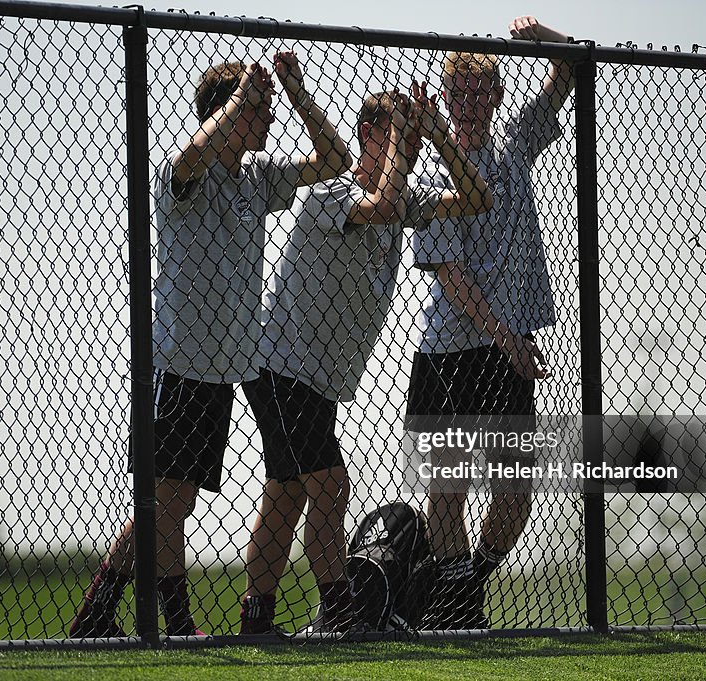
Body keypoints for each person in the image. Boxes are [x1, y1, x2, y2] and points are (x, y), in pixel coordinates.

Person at [69, 51, 352, 638]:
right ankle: (170, 622)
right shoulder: (185, 176)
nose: (268, 119)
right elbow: (193, 154)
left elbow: (335, 160)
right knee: (165, 502)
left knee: (169, 502)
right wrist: (238, 100)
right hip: (179, 364)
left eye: (269, 110)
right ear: (225, 111)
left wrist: (295, 92)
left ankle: (100, 610)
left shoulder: (256, 179)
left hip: (221, 369)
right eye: (260, 110)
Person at [237, 82, 493, 635]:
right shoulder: (331, 194)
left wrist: (439, 138)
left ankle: (256, 619)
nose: (409, 154)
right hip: (281, 368)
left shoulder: (407, 197)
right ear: (368, 137)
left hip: (318, 380)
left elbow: (478, 199)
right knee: (330, 484)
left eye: (410, 144)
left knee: (284, 496)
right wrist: (407, 134)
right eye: (396, 138)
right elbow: (378, 208)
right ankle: (340, 613)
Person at [403, 15, 575, 630]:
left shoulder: (512, 145)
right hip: (453, 347)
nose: (471, 105)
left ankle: (463, 581)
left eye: (482, 94)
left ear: (499, 98)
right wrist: (507, 340)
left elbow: (571, 70)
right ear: (445, 103)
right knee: (447, 489)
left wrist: (545, 37)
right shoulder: (430, 176)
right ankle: (453, 604)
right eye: (459, 96)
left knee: (514, 494)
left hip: (508, 348)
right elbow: (452, 277)